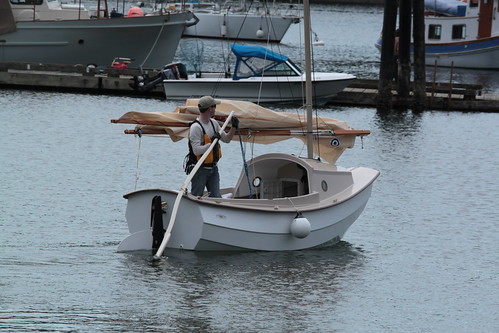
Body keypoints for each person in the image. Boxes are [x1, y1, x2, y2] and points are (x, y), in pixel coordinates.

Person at [188, 96, 239, 197]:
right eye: (214, 106)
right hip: (200, 170)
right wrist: (212, 144)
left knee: (216, 197)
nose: (216, 109)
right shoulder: (196, 127)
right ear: (210, 108)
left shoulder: (213, 123)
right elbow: (196, 151)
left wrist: (233, 127)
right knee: (196, 196)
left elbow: (227, 139)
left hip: (213, 169)